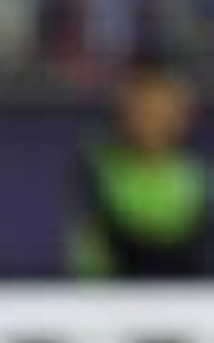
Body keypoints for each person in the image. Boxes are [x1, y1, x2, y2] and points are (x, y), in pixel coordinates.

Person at [67, 58, 213, 278]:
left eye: (162, 108)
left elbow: (195, 252)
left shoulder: (198, 172)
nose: (152, 118)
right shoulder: (96, 166)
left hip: (189, 300)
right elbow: (97, 253)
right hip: (110, 301)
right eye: (143, 107)